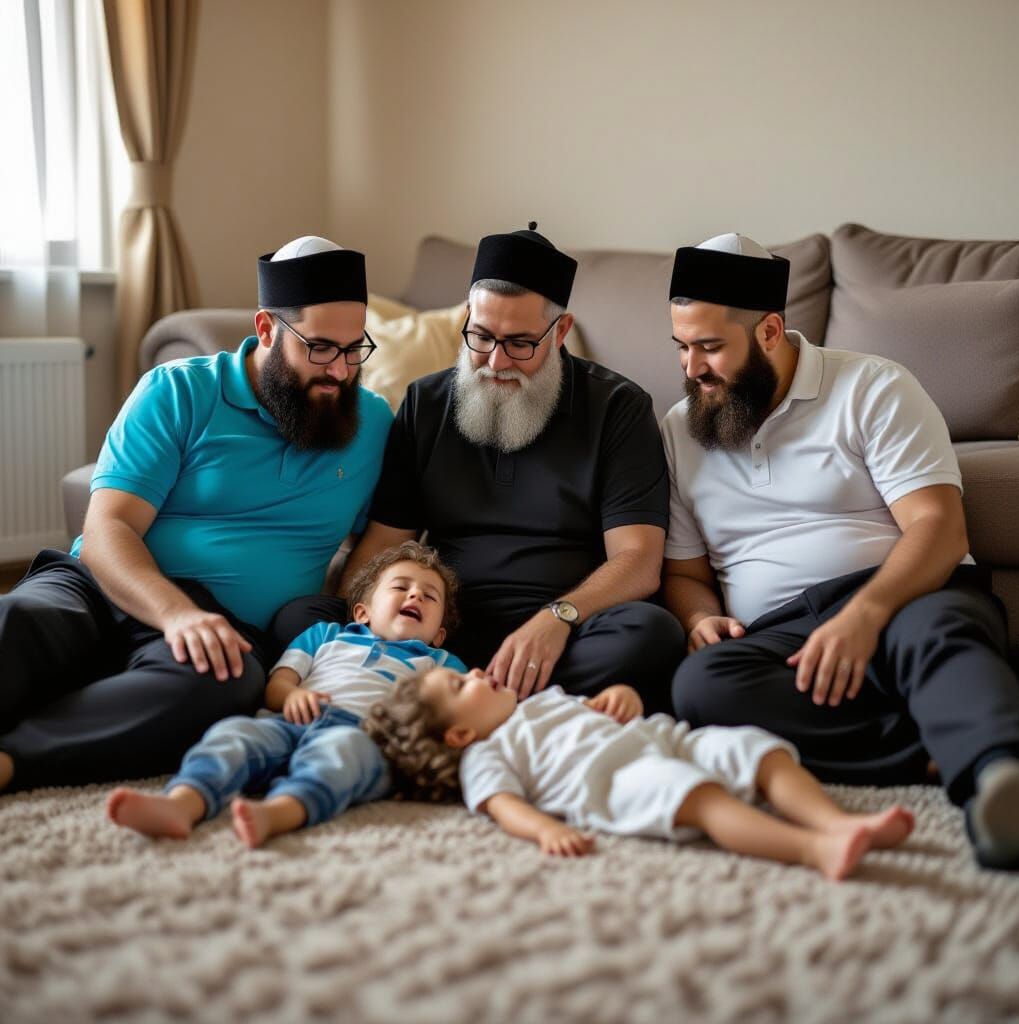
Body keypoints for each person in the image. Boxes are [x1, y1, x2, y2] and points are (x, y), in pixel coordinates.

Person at [660, 232, 1019, 870]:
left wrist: (866, 615)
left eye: (710, 347)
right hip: (781, 634)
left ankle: (999, 781)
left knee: (939, 633)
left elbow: (940, 528)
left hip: (908, 592)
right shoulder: (679, 428)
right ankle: (946, 742)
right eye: (682, 347)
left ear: (769, 331)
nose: (692, 368)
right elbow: (685, 572)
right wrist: (697, 616)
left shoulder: (874, 386)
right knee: (701, 688)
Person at [0, 236, 393, 793]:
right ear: (266, 329)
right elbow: (107, 524)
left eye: (355, 350)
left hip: (225, 633)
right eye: (321, 348)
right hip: (102, 588)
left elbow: (379, 542)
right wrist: (174, 612)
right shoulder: (178, 390)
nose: (341, 371)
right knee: (15, 622)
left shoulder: (371, 424)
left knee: (219, 691)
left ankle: (15, 760)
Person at [341, 223, 686, 711]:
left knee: (650, 634)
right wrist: (341, 627)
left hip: (570, 626)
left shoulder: (619, 407)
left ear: (560, 332)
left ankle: (459, 698)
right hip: (446, 625)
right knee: (305, 619)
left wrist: (556, 619)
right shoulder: (426, 402)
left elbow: (638, 562)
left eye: (521, 343)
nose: (496, 361)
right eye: (481, 337)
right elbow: (383, 542)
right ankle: (534, 706)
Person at [363, 666, 916, 880]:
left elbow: (605, 706)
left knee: (757, 750)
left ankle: (834, 822)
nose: (477, 672)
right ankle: (810, 850)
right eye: (462, 687)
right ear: (458, 736)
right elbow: (499, 804)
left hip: (662, 738)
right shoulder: (488, 754)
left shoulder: (539, 701)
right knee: (701, 798)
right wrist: (542, 829)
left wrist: (622, 694)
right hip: (617, 782)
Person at [107, 542, 465, 847]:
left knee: (342, 755)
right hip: (290, 721)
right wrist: (290, 696)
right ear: (362, 612)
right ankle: (184, 802)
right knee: (234, 733)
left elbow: (464, 707)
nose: (415, 594)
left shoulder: (440, 662)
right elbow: (278, 683)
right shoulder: (325, 635)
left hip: (363, 735)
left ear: (439, 635)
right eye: (400, 587)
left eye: (429, 595)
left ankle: (279, 813)